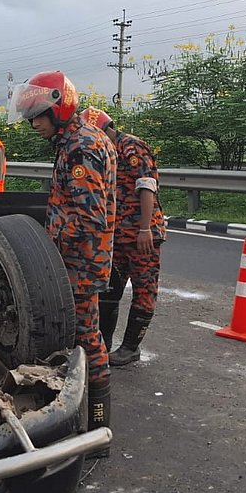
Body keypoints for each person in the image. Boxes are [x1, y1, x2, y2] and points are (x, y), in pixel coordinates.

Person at [13, 71, 116, 439]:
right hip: (77, 261)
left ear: (59, 109)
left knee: (86, 339)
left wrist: (44, 242)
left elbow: (90, 217)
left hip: (80, 265)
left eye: (38, 116)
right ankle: (89, 425)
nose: (33, 124)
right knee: (82, 338)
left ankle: (97, 428)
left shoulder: (81, 148)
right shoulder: (75, 141)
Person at [82, 108, 166, 366]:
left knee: (144, 290)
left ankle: (130, 347)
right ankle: (103, 345)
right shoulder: (104, 152)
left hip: (142, 235)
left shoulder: (131, 146)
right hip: (117, 235)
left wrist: (144, 229)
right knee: (110, 289)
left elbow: (147, 186)